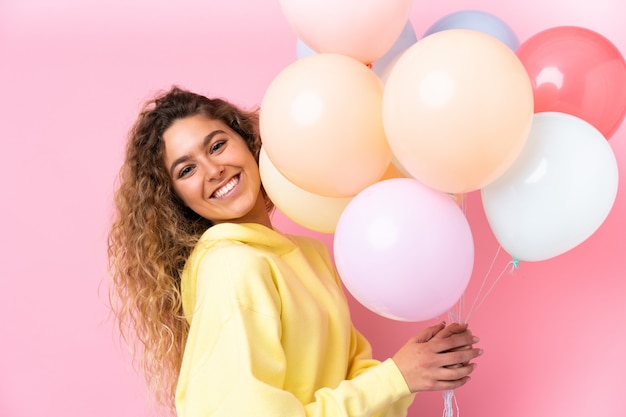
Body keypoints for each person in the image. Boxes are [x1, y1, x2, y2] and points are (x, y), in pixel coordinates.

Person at [107, 86, 483, 417]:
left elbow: (352, 383)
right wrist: (395, 376)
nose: (213, 170)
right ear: (177, 199)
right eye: (186, 170)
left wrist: (414, 371)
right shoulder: (231, 267)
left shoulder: (311, 256)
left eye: (217, 145)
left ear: (248, 142)